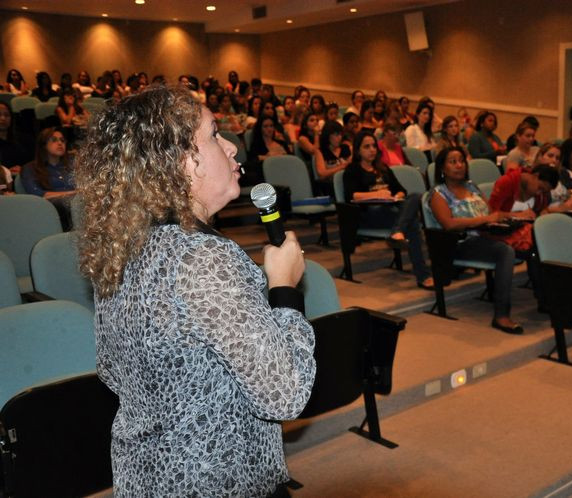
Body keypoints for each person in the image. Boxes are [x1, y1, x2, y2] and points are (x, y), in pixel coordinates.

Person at [75, 85, 315, 496]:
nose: (232, 148)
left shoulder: (122, 246)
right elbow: (285, 393)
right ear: (183, 162)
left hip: (148, 477)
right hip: (218, 479)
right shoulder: (202, 258)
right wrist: (284, 288)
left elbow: (112, 370)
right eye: (215, 134)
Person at [427, 146, 523, 334]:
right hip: (460, 243)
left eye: (461, 161)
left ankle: (547, 302)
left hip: (487, 236)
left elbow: (491, 214)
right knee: (505, 251)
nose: (459, 165)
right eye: (453, 162)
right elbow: (449, 224)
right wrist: (484, 220)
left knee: (529, 237)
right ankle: (501, 315)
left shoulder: (472, 187)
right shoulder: (438, 194)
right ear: (442, 168)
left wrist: (515, 215)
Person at [343, 131, 433, 290]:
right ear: (358, 150)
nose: (372, 150)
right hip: (369, 214)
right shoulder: (352, 170)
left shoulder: (382, 168)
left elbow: (401, 190)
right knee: (412, 223)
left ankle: (397, 232)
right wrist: (376, 194)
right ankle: (423, 275)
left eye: (374, 146)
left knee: (414, 196)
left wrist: (396, 196)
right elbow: (352, 195)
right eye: (366, 147)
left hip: (390, 210)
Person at [20, 127, 75, 198]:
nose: (60, 143)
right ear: (44, 145)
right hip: (47, 206)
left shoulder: (71, 166)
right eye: (54, 140)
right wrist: (74, 193)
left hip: (76, 204)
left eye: (62, 140)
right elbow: (37, 194)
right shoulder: (30, 168)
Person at [533, 142, 572, 212]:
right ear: (540, 156)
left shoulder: (561, 172)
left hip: (569, 212)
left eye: (557, 158)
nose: (554, 160)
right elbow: (537, 208)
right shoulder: (534, 176)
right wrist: (561, 208)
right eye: (550, 156)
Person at [315, 120, 351, 190]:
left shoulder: (346, 148)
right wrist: (343, 166)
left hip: (348, 182)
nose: (340, 137)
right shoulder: (320, 151)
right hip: (331, 186)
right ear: (328, 135)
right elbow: (322, 173)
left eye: (341, 134)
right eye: (336, 134)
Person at [0, 101, 30, 172]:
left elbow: (33, 162)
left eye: (7, 115)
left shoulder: (24, 139)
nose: (3, 118)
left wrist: (23, 169)